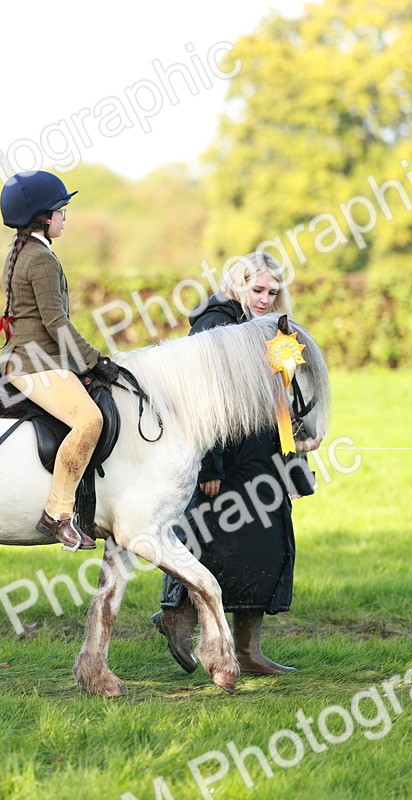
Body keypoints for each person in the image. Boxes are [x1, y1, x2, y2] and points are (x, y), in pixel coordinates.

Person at [152, 252, 319, 675]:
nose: (265, 298)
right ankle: (177, 617)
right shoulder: (215, 323)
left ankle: (249, 652)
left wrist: (294, 456)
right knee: (212, 543)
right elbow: (200, 402)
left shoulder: (275, 331)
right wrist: (210, 467)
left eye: (272, 291)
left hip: (264, 456)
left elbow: (283, 396)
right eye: (257, 289)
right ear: (237, 285)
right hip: (223, 458)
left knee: (269, 545)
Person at [0, 170, 118, 552]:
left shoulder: (23, 250)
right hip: (34, 363)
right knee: (89, 420)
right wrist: (93, 360)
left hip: (34, 357)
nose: (66, 217)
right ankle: (57, 513)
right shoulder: (41, 259)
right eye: (62, 210)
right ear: (44, 218)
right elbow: (55, 322)